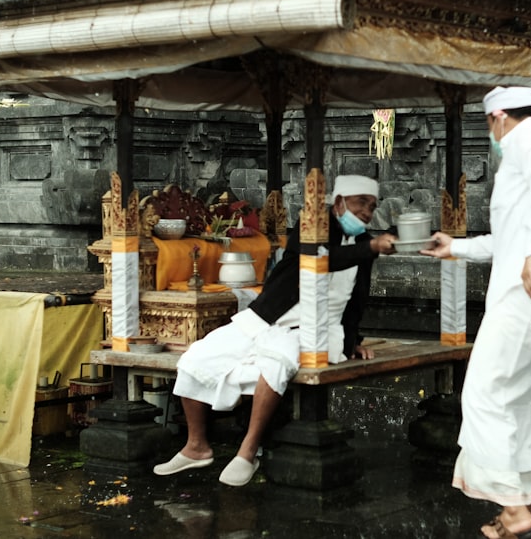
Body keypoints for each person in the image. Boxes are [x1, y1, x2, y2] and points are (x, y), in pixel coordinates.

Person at [421, 86, 531, 538]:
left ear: (498, 116)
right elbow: (512, 237)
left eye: (488, 124)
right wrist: (454, 246)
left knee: (485, 395)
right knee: (530, 401)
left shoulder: (526, 140)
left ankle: (514, 511)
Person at [153, 175, 397, 486]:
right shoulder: (312, 226)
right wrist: (373, 246)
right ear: (338, 203)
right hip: (267, 317)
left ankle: (247, 451)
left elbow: (357, 299)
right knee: (196, 356)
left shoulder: (364, 244)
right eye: (361, 203)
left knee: (274, 363)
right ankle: (196, 446)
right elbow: (319, 259)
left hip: (316, 330)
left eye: (372, 207)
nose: (367, 212)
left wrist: (354, 341)